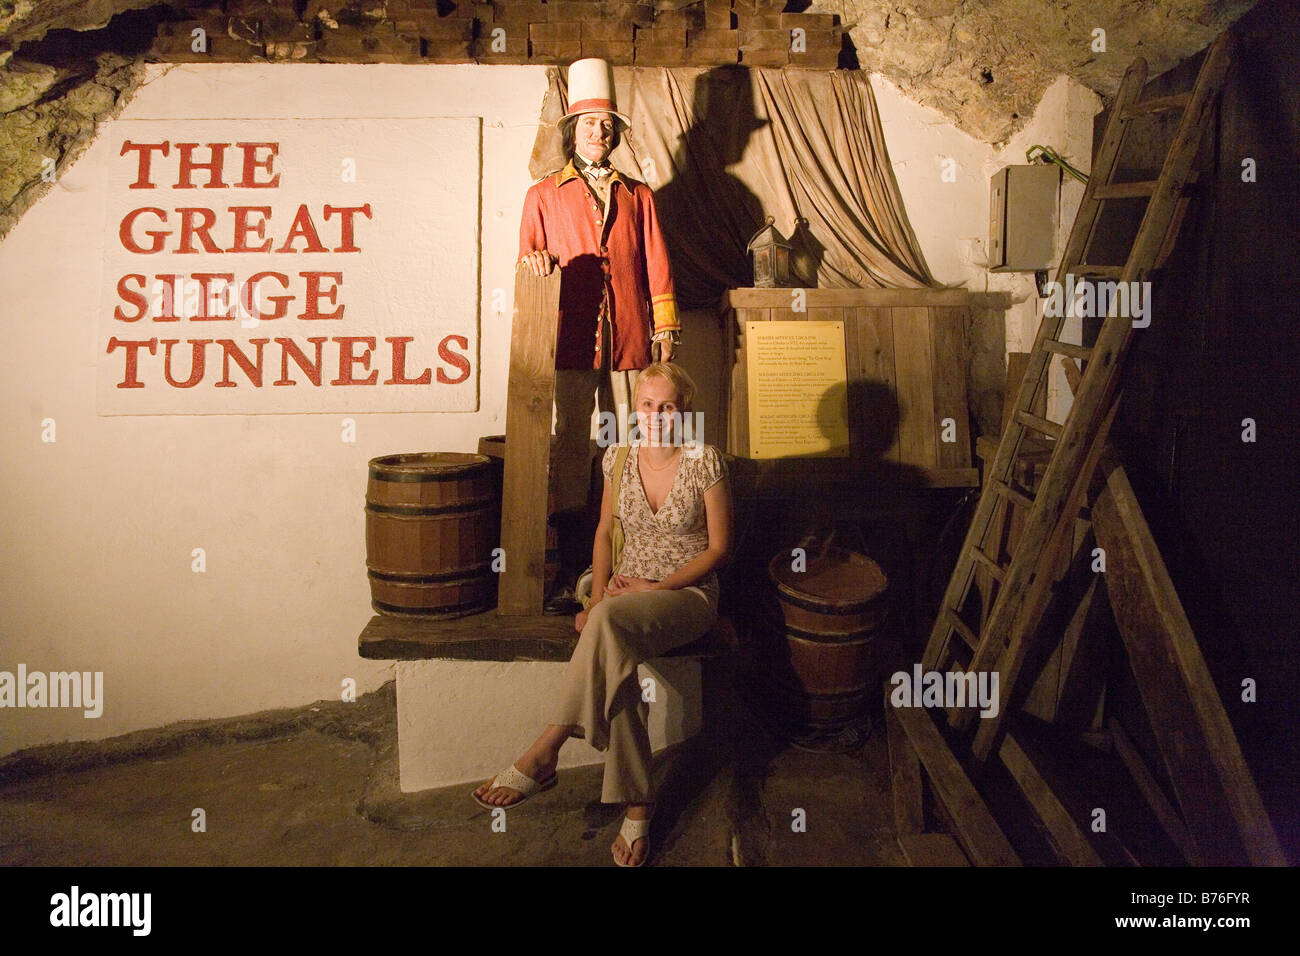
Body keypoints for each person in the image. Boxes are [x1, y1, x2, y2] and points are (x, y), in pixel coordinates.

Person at [473, 362, 732, 867]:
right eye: (648, 405)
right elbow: (601, 534)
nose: (657, 416)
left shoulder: (706, 461)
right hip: (618, 598)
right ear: (636, 409)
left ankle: (549, 745)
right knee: (617, 658)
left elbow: (718, 549)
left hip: (686, 596)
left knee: (607, 625)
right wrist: (594, 600)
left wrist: (653, 587)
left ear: (687, 412)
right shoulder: (617, 457)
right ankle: (638, 809)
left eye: (669, 406)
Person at [518, 58, 682, 580]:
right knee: (569, 439)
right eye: (589, 123)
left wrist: (665, 327)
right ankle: (571, 567)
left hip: (628, 336)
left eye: (607, 125)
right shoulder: (542, 194)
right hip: (568, 337)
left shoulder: (639, 195)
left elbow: (658, 262)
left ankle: (626, 558)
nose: (599, 131)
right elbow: (528, 257)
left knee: (630, 440)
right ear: (572, 132)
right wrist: (535, 261)